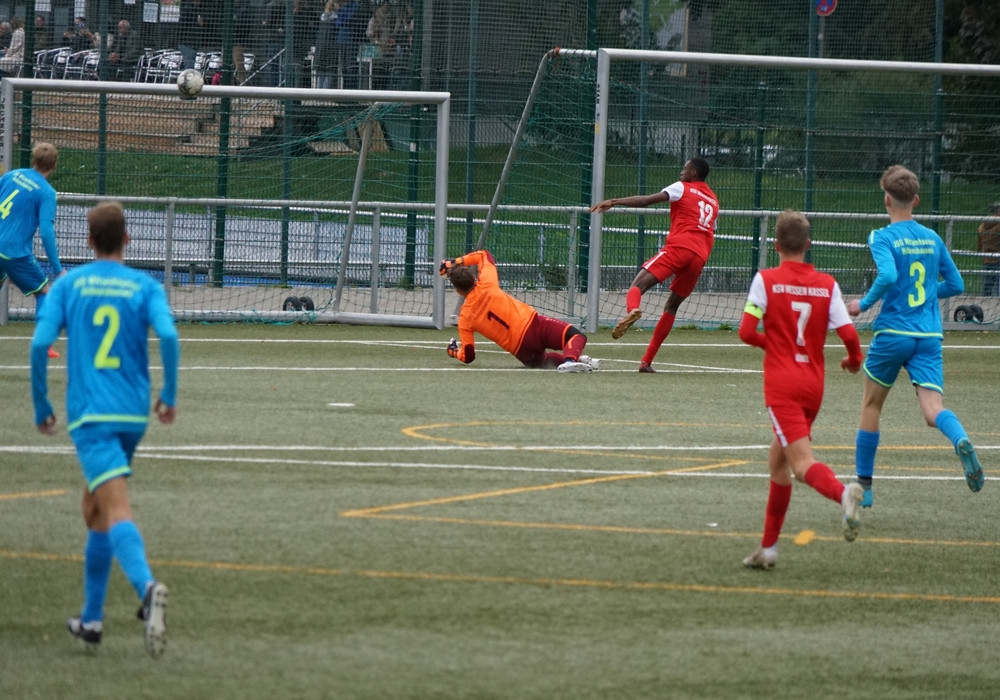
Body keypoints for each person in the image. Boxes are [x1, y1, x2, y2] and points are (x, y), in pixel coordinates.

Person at [30, 201, 178, 657]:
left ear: (89, 241)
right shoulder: (145, 285)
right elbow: (169, 336)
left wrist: (41, 404)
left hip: (92, 416)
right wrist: (169, 393)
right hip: (133, 415)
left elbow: (39, 343)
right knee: (93, 508)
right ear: (127, 239)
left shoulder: (69, 284)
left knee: (114, 509)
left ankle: (146, 588)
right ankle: (91, 621)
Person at [847, 165, 984, 508]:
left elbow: (888, 276)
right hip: (928, 335)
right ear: (917, 200)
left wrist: (862, 304)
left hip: (894, 332)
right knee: (933, 409)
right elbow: (956, 284)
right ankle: (960, 438)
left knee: (871, 405)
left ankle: (865, 487)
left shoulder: (882, 237)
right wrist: (926, 295)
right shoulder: (933, 238)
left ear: (886, 200)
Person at [738, 210, 865, 569]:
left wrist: (775, 346)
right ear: (808, 244)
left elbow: (746, 332)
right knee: (778, 462)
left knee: (801, 464)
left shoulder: (766, 280)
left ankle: (844, 494)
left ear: (775, 245)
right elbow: (849, 335)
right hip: (813, 385)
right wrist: (854, 360)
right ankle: (768, 548)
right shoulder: (827, 284)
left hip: (783, 386)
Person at [589, 157, 719, 373]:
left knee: (637, 285)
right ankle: (646, 361)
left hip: (680, 247)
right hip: (700, 256)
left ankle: (632, 310)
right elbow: (711, 229)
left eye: (685, 168)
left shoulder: (682, 187)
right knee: (672, 307)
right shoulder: (714, 200)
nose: (681, 172)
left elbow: (645, 200)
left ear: (694, 172)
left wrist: (614, 201)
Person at [440, 250, 600, 372]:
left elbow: (468, 355)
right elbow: (484, 255)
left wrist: (454, 352)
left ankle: (576, 360)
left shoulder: (465, 317)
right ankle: (571, 360)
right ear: (474, 279)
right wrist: (453, 262)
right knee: (576, 336)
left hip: (522, 351)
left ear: (458, 290)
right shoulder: (487, 283)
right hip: (533, 327)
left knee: (545, 362)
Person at [0, 142, 63, 357]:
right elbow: (46, 233)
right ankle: (43, 345)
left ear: (33, 160)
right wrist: (57, 269)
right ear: (54, 165)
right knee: (44, 292)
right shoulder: (46, 192)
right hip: (13, 251)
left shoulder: (12, 175)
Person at [313, 0, 339, 89]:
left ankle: (318, 92)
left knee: (320, 74)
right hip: (331, 50)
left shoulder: (322, 18)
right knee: (329, 73)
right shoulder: (335, 19)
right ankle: (325, 92)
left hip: (320, 48)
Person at [977, 202, 1000, 297]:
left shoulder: (982, 225)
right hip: (998, 258)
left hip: (987, 258)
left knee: (987, 285)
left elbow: (979, 244)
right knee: (998, 287)